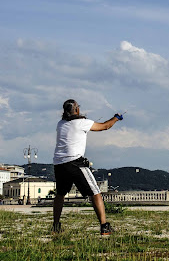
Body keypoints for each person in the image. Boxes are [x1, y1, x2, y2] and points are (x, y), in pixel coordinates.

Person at [52, 99, 122, 235]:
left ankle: (56, 226)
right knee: (95, 192)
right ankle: (104, 226)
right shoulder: (82, 123)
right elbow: (105, 126)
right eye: (78, 107)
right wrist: (116, 118)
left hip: (59, 163)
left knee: (60, 194)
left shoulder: (60, 124)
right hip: (75, 162)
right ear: (76, 109)